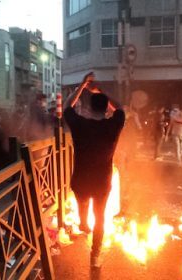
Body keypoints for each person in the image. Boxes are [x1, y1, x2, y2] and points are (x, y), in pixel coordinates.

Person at [63, 72, 125, 268]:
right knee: (100, 216)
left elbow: (67, 107)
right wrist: (101, 89)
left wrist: (82, 85)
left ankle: (82, 222)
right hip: (102, 182)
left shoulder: (80, 125)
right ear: (107, 108)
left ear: (88, 108)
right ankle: (95, 255)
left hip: (80, 181)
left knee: (82, 204)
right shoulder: (113, 126)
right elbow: (121, 107)